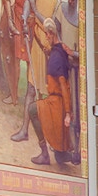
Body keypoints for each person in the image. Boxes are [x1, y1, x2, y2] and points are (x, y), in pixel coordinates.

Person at [11, 18, 74, 165]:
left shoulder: (57, 56)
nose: (46, 37)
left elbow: (64, 86)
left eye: (47, 34)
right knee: (59, 157)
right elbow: (53, 51)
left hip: (57, 103)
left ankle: (45, 154)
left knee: (33, 109)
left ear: (52, 34)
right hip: (56, 100)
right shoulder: (58, 50)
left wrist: (67, 113)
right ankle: (60, 154)